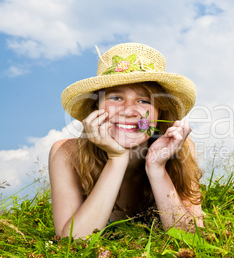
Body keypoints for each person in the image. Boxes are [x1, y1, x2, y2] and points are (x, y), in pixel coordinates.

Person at [49, 43, 203, 238]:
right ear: (96, 107)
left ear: (159, 112)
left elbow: (192, 239)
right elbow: (72, 243)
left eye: (144, 101)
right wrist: (117, 158)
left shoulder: (180, 149)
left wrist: (157, 169)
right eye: (116, 97)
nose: (129, 111)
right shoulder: (67, 153)